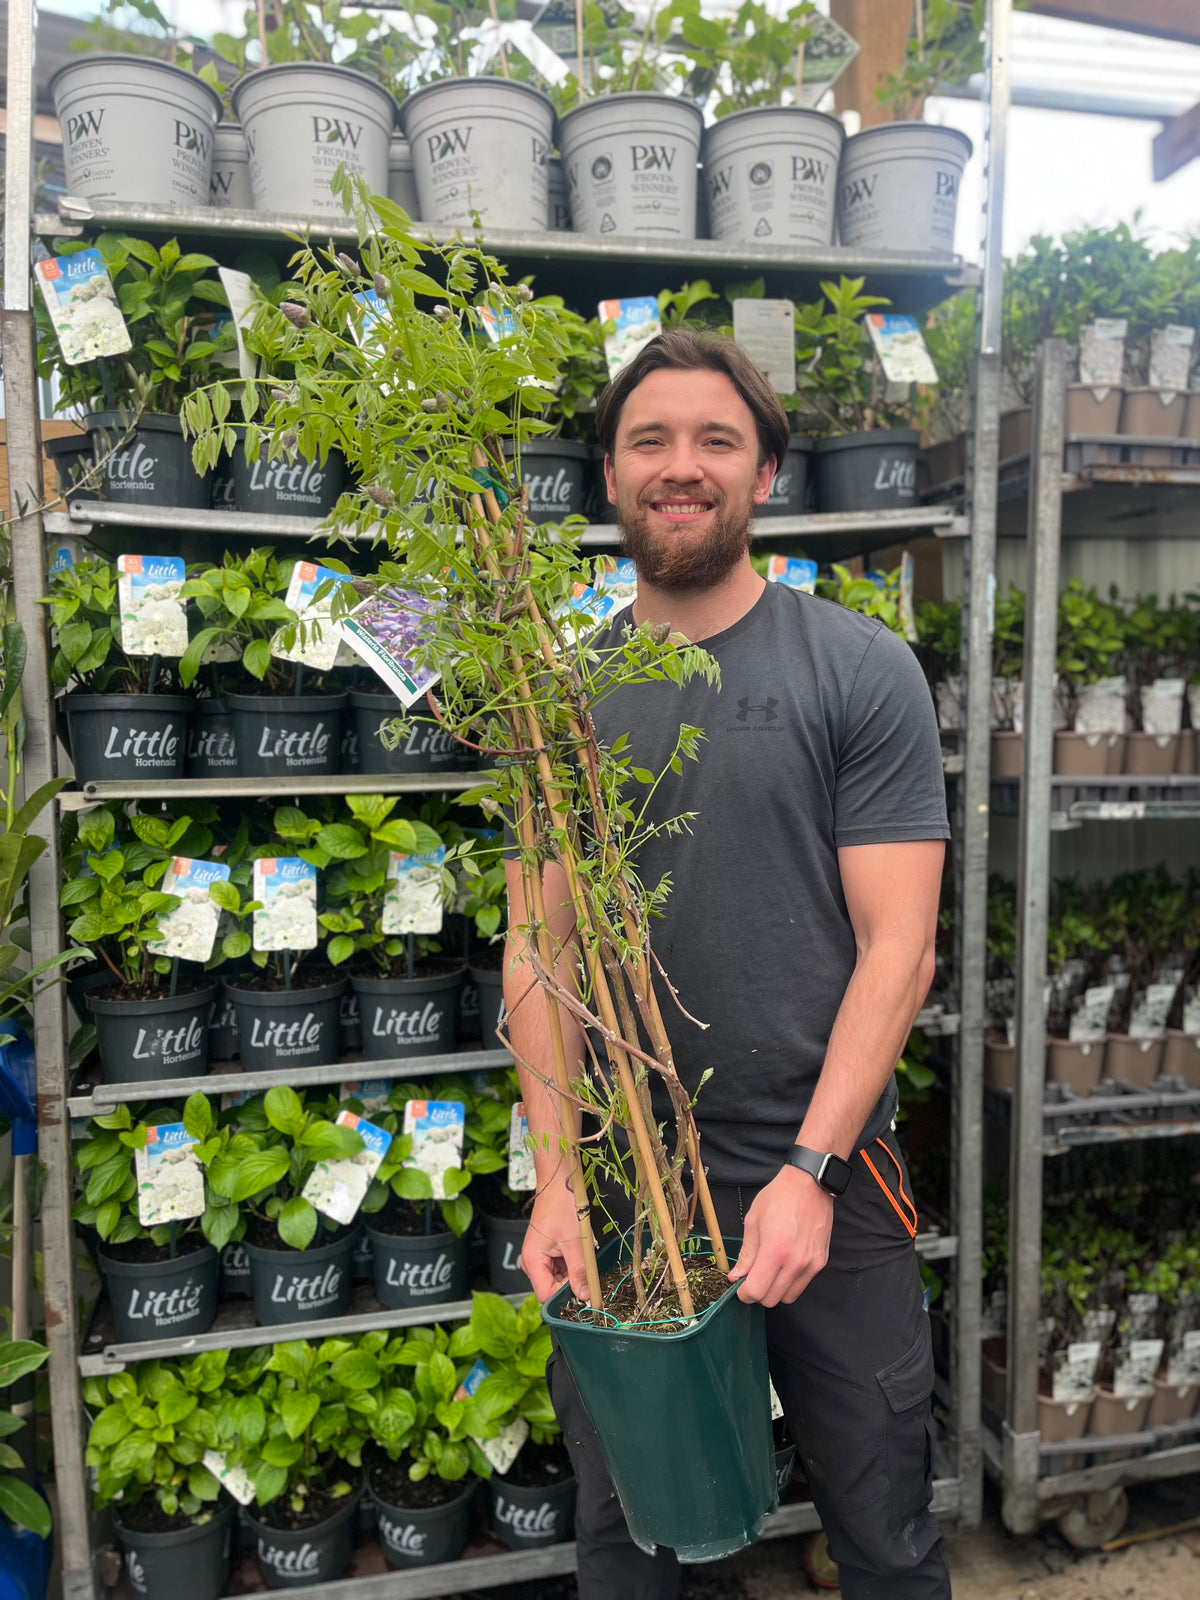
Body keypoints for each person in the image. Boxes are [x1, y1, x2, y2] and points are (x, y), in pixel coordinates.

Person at [502, 328, 951, 1600]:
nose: (680, 465)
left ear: (765, 478)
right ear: (608, 475)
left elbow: (899, 946)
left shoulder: (856, 668)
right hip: (633, 1178)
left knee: (884, 1523)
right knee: (636, 1538)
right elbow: (539, 950)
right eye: (650, 440)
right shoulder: (562, 702)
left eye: (716, 441)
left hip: (833, 1169)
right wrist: (557, 1181)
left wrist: (811, 1168)